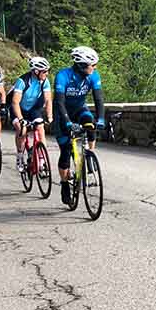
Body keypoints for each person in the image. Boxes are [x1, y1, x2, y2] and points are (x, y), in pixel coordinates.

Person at [53, 46, 105, 205]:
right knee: (66, 149)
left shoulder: (93, 76)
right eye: (92, 65)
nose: (95, 68)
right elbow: (60, 102)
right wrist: (67, 122)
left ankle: (89, 154)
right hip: (62, 113)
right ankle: (64, 184)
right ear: (82, 65)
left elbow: (98, 99)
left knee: (89, 123)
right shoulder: (63, 76)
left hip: (80, 109)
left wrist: (101, 119)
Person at [10, 57, 54, 172]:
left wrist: (50, 117)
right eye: (44, 71)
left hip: (34, 108)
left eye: (47, 70)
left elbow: (48, 100)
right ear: (36, 71)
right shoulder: (22, 81)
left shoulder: (45, 81)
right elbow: (15, 102)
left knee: (40, 128)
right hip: (18, 109)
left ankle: (42, 159)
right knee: (22, 129)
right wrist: (20, 119)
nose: (47, 73)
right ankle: (20, 156)